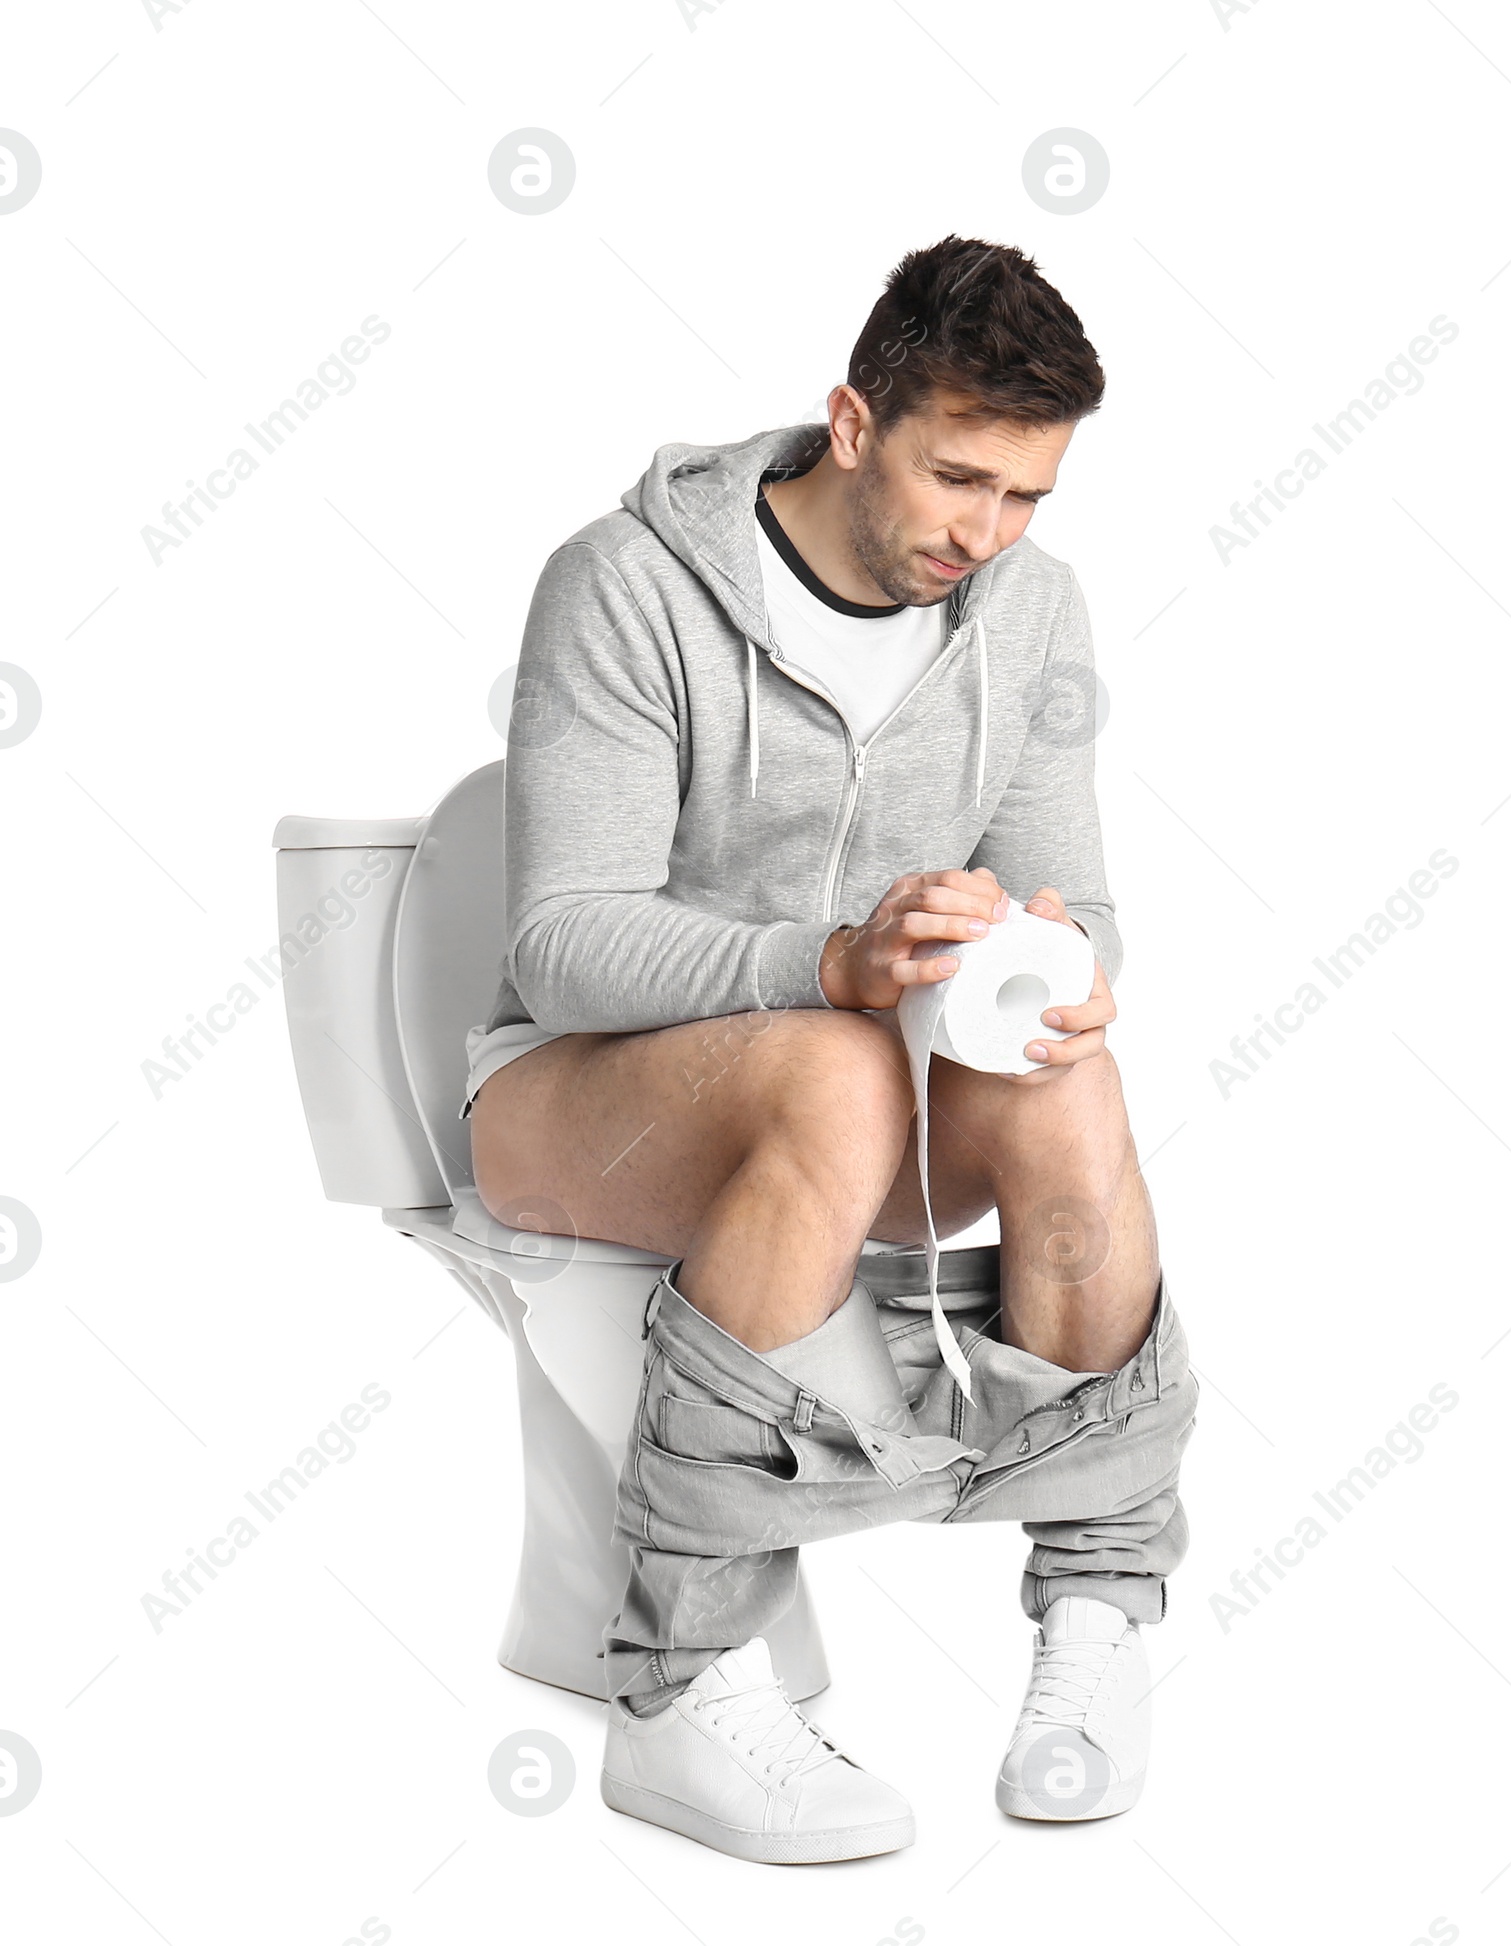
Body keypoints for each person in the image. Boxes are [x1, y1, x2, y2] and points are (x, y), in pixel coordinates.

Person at [462, 234, 1198, 1864]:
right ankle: (677, 1685)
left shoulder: (1030, 609)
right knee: (837, 1063)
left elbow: (1090, 905)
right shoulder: (625, 579)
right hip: (572, 1090)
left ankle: (1096, 1614)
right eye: (957, 478)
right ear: (852, 421)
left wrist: (1057, 968)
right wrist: (835, 962)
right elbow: (560, 937)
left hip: (874, 1113)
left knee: (1070, 1072)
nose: (984, 534)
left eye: (1026, 496)